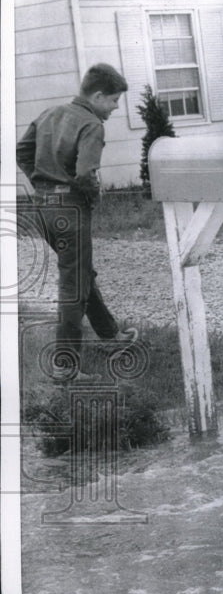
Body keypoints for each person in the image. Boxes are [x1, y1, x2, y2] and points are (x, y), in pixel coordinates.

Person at [17, 63, 137, 380]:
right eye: (113, 101)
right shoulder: (92, 124)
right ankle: (65, 364)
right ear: (97, 96)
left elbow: (22, 151)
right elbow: (85, 173)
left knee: (80, 275)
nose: (114, 108)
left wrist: (42, 184)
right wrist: (93, 196)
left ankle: (110, 335)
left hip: (42, 208)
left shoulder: (50, 113)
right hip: (70, 210)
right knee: (74, 285)